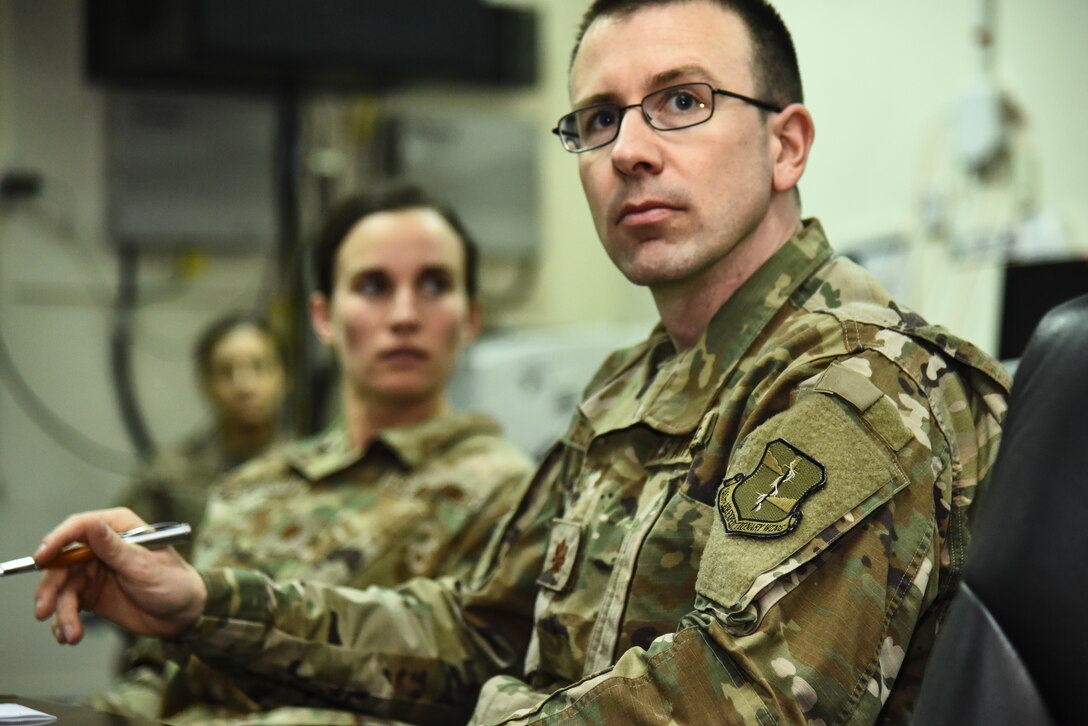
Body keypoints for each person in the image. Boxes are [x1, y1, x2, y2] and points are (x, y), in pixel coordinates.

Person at [33, 1, 1011, 723]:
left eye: (680, 101)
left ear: (784, 144)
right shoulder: (637, 383)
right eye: (597, 119)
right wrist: (206, 602)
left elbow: (743, 701)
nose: (629, 149)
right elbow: (478, 636)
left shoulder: (853, 379)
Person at [89, 185, 535, 723]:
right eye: (373, 285)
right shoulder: (254, 485)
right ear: (323, 318)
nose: (403, 314)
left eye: (434, 284)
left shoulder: (509, 494)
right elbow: (160, 671)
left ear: (470, 318)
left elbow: (468, 688)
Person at [114, 311, 288, 560]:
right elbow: (120, 547)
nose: (245, 385)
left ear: (284, 377)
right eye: (226, 372)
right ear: (204, 383)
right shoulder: (171, 474)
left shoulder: (310, 472)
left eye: (260, 367)